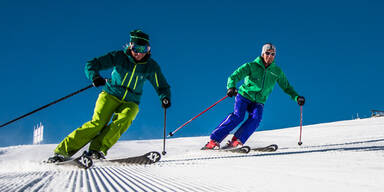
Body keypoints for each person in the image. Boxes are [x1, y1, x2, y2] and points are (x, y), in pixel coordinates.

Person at [48, 30, 171, 162]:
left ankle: (96, 150)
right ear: (130, 46)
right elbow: (91, 64)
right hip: (110, 94)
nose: (139, 53)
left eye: (143, 49)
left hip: (131, 101)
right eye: (136, 48)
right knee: (98, 123)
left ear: (148, 50)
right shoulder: (119, 57)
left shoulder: (151, 66)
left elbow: (161, 85)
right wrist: (95, 77)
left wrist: (164, 97)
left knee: (125, 118)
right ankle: (62, 152)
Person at [202, 43, 305, 150]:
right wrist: (231, 87)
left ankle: (236, 141)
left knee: (256, 119)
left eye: (273, 54)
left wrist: (296, 97)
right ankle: (213, 141)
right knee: (238, 116)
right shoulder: (251, 66)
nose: (270, 56)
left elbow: (286, 87)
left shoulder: (277, 71)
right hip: (244, 96)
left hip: (259, 100)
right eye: (267, 53)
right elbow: (235, 76)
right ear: (262, 54)